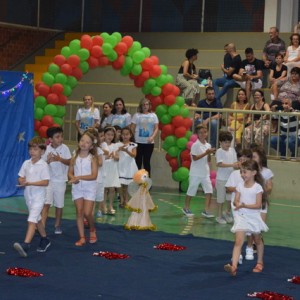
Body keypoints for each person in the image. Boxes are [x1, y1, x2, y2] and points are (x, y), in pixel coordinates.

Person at [224, 160, 269, 276]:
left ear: (254, 173)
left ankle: (260, 262)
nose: (242, 174)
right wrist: (237, 203)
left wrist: (244, 205)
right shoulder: (239, 185)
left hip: (253, 217)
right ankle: (233, 267)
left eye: (245, 172)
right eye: (241, 172)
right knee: (238, 241)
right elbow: (236, 200)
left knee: (257, 240)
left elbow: (258, 205)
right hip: (241, 216)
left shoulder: (257, 187)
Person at [14, 137, 51, 257]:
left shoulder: (44, 165)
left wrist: (30, 183)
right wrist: (22, 181)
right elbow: (20, 176)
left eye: (35, 149)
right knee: (37, 219)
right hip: (28, 196)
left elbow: (46, 182)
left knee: (31, 220)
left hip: (39, 197)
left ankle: (26, 244)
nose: (32, 151)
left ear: (42, 151)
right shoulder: (26, 163)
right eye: (30, 149)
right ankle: (45, 239)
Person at [68, 131, 98, 246]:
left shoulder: (92, 158)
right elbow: (70, 172)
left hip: (90, 188)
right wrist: (72, 178)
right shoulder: (74, 156)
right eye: (82, 141)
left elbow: (94, 175)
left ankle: (92, 229)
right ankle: (82, 237)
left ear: (91, 146)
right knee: (79, 212)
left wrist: (79, 177)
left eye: (87, 142)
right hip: (77, 188)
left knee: (87, 213)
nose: (84, 144)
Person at [244, 147, 273, 260]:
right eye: (251, 157)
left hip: (262, 203)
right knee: (250, 227)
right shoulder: (249, 171)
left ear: (261, 158)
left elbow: (269, 187)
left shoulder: (266, 172)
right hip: (250, 203)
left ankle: (257, 242)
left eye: (255, 156)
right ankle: (249, 247)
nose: (253, 159)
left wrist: (261, 191)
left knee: (258, 227)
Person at [225, 148, 253, 265]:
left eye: (245, 159)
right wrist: (237, 189)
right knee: (238, 228)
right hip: (236, 206)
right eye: (240, 159)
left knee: (250, 229)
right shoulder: (234, 174)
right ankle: (238, 253)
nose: (242, 161)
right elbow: (228, 188)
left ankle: (249, 247)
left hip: (249, 205)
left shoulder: (252, 174)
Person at [41, 127, 71, 235]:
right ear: (50, 139)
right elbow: (41, 165)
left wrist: (60, 159)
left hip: (60, 180)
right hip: (48, 181)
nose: (60, 139)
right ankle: (42, 225)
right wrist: (47, 162)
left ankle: (57, 225)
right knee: (46, 203)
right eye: (57, 137)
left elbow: (70, 162)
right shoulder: (46, 149)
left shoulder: (65, 148)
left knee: (59, 205)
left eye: (61, 136)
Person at [182, 124, 215, 218]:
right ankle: (186, 207)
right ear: (197, 134)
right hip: (195, 173)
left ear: (207, 133)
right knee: (191, 191)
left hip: (205, 173)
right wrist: (206, 153)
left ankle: (206, 210)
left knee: (209, 191)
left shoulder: (208, 145)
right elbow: (195, 158)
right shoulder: (195, 145)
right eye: (200, 133)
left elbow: (208, 159)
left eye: (204, 132)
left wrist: (209, 154)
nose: (203, 134)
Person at [215, 131, 239, 224]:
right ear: (220, 142)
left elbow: (235, 162)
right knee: (220, 199)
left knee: (229, 198)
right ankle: (219, 216)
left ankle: (227, 212)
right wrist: (232, 164)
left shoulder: (232, 150)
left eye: (229, 142)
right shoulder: (219, 151)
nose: (228, 144)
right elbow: (219, 164)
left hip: (230, 179)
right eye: (225, 142)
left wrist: (237, 165)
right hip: (221, 179)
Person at [131, 98, 159, 176]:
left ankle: (146, 183)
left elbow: (156, 128)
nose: (145, 106)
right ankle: (137, 181)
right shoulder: (137, 115)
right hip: (138, 142)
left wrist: (152, 137)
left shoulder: (153, 115)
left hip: (149, 143)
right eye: (143, 104)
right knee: (138, 162)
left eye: (147, 104)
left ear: (149, 106)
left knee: (146, 162)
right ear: (141, 106)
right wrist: (134, 139)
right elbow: (132, 128)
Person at [101, 126, 120, 215]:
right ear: (104, 135)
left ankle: (110, 206)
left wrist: (114, 156)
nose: (110, 136)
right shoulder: (101, 145)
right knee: (104, 189)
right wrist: (107, 156)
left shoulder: (115, 146)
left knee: (112, 189)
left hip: (112, 169)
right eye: (108, 134)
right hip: (104, 168)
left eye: (112, 135)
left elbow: (117, 158)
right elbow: (100, 158)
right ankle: (103, 206)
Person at [118, 127, 138, 208]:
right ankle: (122, 199)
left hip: (129, 166)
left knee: (126, 185)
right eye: (123, 134)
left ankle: (126, 200)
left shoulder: (133, 145)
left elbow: (134, 155)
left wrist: (126, 151)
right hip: (120, 165)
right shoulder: (118, 144)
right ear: (121, 135)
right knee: (120, 184)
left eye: (127, 134)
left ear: (130, 135)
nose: (125, 136)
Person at [95, 128, 104, 219]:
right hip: (87, 178)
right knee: (90, 198)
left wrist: (91, 161)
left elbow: (100, 163)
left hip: (97, 177)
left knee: (98, 196)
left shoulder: (98, 150)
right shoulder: (82, 149)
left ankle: (99, 209)